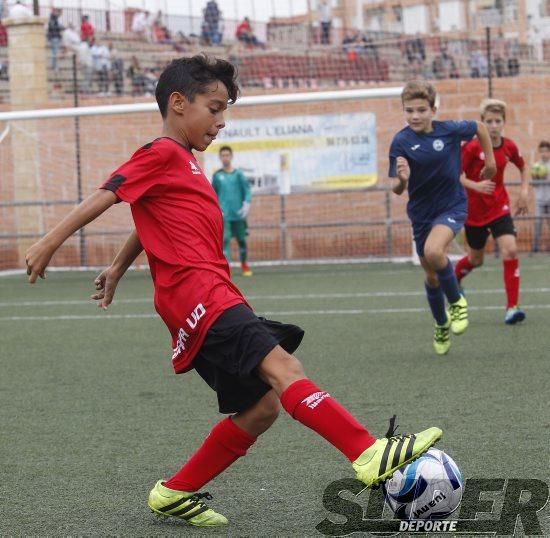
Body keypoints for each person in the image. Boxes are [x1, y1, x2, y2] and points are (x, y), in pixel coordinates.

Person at [25, 55, 441, 528]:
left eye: (226, 111)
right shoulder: (161, 151)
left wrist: (119, 266)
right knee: (284, 367)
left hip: (202, 293)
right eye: (215, 108)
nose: (221, 122)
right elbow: (111, 192)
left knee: (262, 407)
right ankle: (367, 452)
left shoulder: (184, 161)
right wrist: (48, 242)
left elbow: (147, 213)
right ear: (179, 103)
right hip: (199, 292)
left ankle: (175, 491)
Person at [390, 80, 496, 355]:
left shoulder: (449, 130)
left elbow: (480, 127)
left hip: (451, 206)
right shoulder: (401, 141)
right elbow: (397, 188)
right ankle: (440, 323)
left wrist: (491, 162)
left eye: (421, 110)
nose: (415, 116)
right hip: (421, 214)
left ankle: (458, 302)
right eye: (409, 110)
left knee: (434, 251)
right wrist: (402, 179)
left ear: (433, 109)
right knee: (431, 276)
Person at [454, 99, 528, 325]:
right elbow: (456, 174)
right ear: (482, 124)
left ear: (504, 122)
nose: (494, 125)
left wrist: (524, 192)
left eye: (498, 121)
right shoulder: (472, 147)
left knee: (511, 250)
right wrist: (475, 186)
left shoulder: (509, 147)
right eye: (489, 121)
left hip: (499, 208)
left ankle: (512, 309)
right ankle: (453, 281)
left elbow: (523, 166)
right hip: (474, 212)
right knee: (476, 260)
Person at [212, 145, 253, 276]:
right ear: (220, 157)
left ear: (231, 156)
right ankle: (226, 270)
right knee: (225, 241)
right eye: (223, 155)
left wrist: (246, 203)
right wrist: (216, 208)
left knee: (241, 240)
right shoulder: (218, 176)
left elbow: (247, 190)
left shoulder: (238, 174)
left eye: (227, 155)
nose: (225, 158)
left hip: (239, 214)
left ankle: (244, 265)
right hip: (225, 215)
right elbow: (213, 193)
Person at [531, 140, 550, 252]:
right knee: (537, 222)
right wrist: (537, 178)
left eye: (546, 151)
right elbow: (533, 184)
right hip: (540, 199)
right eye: (542, 151)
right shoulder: (536, 166)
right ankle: (536, 247)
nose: (544, 153)